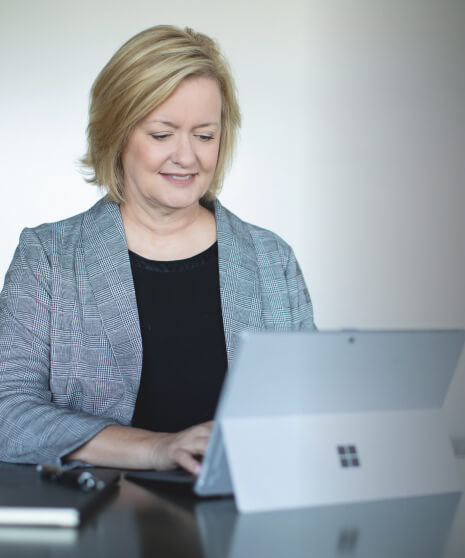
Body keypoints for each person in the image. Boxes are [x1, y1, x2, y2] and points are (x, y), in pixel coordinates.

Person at [0, 25, 314, 474]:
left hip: (242, 527)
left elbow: (310, 412)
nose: (187, 157)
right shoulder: (47, 257)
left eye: (204, 135)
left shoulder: (272, 259)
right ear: (116, 133)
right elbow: (7, 414)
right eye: (162, 134)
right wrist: (155, 449)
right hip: (102, 531)